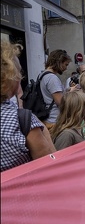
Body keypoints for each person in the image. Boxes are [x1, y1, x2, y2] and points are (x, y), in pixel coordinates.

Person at [1, 41, 56, 172]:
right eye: (18, 72)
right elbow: (49, 169)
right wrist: (44, 133)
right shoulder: (21, 120)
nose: (20, 77)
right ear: (8, 77)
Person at [40, 49, 72, 130]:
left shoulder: (42, 74)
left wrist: (67, 90)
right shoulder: (52, 78)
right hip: (54, 120)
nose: (66, 68)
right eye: (66, 64)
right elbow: (60, 101)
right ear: (59, 62)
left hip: (48, 118)